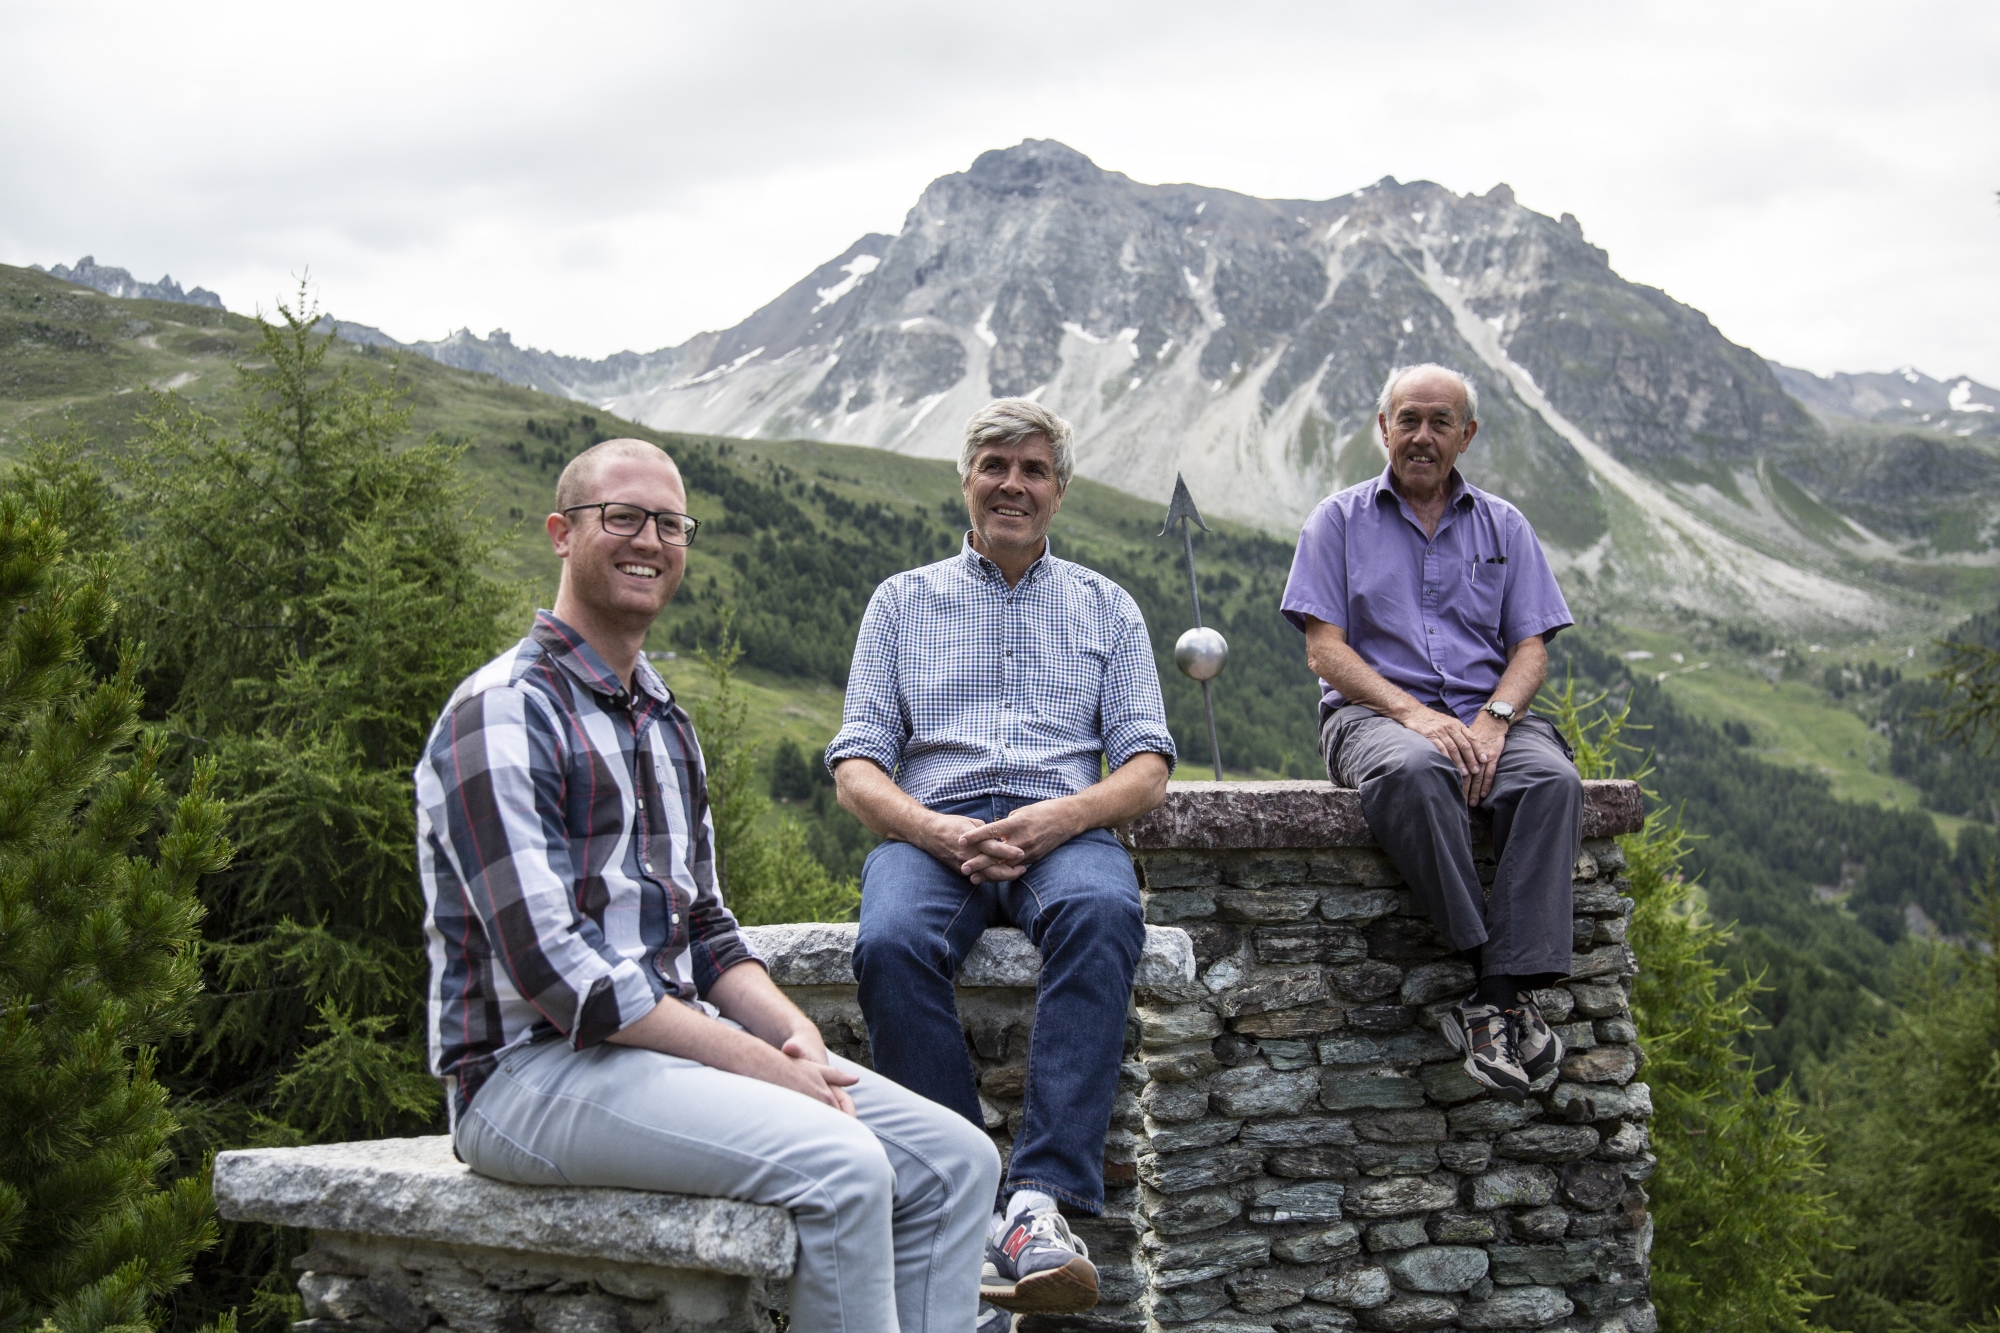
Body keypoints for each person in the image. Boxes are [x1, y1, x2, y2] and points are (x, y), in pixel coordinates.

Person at [416, 438, 1002, 1333]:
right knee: (843, 1164)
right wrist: (762, 1066)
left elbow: (709, 930)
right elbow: (557, 972)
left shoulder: (663, 720)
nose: (649, 538)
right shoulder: (503, 708)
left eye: (670, 522)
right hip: (525, 1074)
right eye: (622, 516)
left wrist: (799, 1039)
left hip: (649, 1061)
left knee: (958, 1160)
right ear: (561, 534)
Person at [827, 399, 1177, 1317]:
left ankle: (1038, 1198)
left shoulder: (1109, 604)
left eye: (1032, 469)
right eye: (994, 464)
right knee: (892, 941)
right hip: (933, 827)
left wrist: (1064, 817)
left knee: (1106, 915)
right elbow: (856, 763)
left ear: (1059, 490)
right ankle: (972, 1195)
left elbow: (1146, 765)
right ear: (967, 479)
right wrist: (932, 828)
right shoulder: (901, 601)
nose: (1011, 483)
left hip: (1062, 828)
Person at [1279, 364, 1582, 1102]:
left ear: (1466, 435)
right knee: (1418, 772)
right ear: (1382, 427)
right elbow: (1324, 648)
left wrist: (1496, 720)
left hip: (1489, 716)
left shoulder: (1504, 524)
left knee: (1552, 781)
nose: (1421, 435)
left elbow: (1531, 648)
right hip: (1374, 717)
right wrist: (1415, 714)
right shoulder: (1338, 520)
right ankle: (1494, 975)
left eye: (1439, 422)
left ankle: (1494, 999)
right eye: (1407, 419)